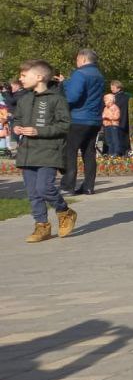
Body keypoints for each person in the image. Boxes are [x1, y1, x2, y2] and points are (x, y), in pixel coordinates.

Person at [12, 60, 76, 241]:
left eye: (24, 75)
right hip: (27, 153)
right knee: (33, 193)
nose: (20, 78)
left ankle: (65, 211)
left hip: (49, 152)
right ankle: (42, 226)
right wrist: (16, 127)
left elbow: (64, 125)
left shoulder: (57, 99)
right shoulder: (24, 99)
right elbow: (17, 119)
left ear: (39, 77)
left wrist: (38, 131)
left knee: (44, 188)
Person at [61, 48, 104, 195]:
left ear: (84, 59)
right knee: (89, 153)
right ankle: (89, 186)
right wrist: (65, 82)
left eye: (77, 59)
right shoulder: (99, 75)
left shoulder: (80, 73)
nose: (76, 62)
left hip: (79, 118)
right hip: (94, 119)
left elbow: (72, 97)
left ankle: (68, 186)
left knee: (70, 151)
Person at [109, 80, 131, 156]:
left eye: (113, 87)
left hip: (120, 119)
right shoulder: (115, 96)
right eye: (111, 87)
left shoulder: (122, 97)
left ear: (119, 88)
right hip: (117, 120)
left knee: (120, 137)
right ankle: (119, 151)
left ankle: (121, 152)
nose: (111, 89)